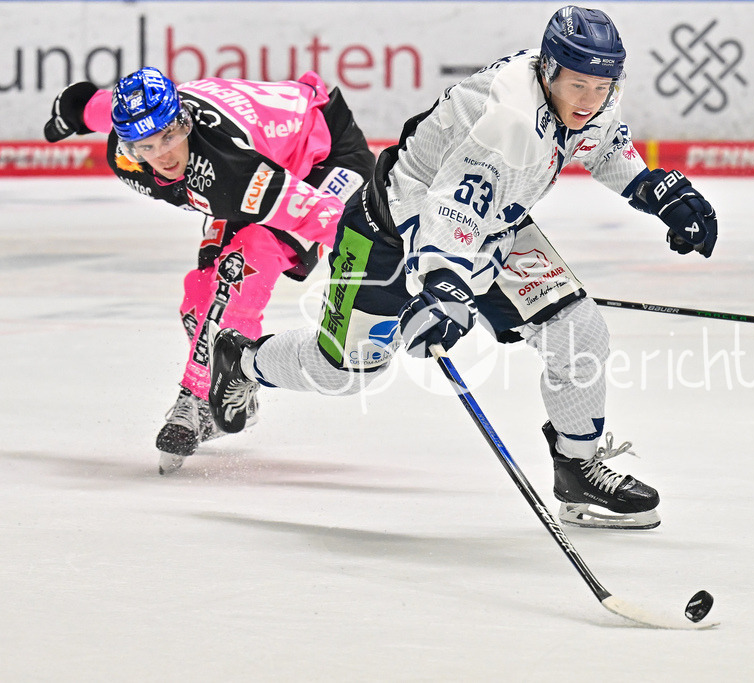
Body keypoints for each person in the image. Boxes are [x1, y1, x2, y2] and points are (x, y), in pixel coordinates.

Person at [209, 5, 717, 529]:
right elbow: (452, 207)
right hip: (388, 236)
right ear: (549, 71)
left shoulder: (582, 91)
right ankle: (243, 360)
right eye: (578, 86)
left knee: (578, 331)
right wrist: (448, 285)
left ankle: (576, 468)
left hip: (495, 227)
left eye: (600, 87)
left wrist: (655, 191)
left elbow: (601, 141)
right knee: (344, 373)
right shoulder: (507, 121)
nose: (589, 100)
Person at [43, 67, 375, 474]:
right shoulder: (126, 147)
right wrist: (71, 110)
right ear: (126, 147)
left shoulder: (227, 170)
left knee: (245, 267)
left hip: (325, 159)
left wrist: (396, 257)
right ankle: (236, 384)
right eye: (145, 146)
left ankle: (198, 396)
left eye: (170, 136)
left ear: (185, 120)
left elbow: (328, 217)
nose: (163, 155)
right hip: (255, 167)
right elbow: (96, 107)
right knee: (198, 295)